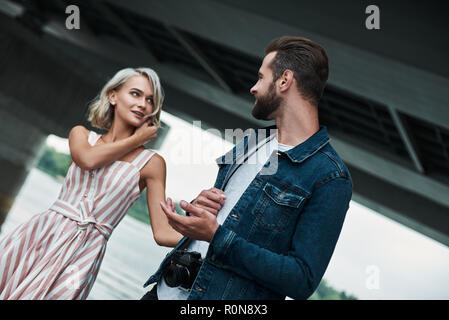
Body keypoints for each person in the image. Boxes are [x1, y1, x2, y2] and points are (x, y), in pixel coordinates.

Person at [141, 36, 353, 300]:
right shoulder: (252, 141)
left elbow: (301, 280)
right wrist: (200, 207)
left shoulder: (331, 178)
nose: (253, 88)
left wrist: (217, 236)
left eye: (261, 78)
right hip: (160, 292)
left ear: (284, 80)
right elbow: (231, 216)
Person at [0, 67, 184, 300]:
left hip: (84, 253)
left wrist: (210, 237)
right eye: (135, 94)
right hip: (41, 234)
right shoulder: (82, 136)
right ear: (113, 96)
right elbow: (88, 160)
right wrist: (137, 139)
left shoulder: (152, 163)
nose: (143, 104)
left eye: (150, 100)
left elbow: (162, 233)